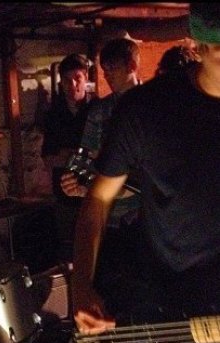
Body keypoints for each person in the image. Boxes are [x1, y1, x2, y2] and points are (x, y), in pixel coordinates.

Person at [70, 3, 220, 343]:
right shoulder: (147, 109)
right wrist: (81, 283)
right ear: (200, 46)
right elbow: (98, 200)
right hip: (170, 317)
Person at [60, 37, 142, 314]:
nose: (108, 77)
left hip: (148, 218)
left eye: (113, 70)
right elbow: (85, 158)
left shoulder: (152, 105)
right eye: (104, 71)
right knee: (114, 296)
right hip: (110, 220)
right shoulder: (101, 111)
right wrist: (79, 184)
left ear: (132, 66)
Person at [40, 53, 97, 255]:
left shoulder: (97, 110)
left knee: (95, 250)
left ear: (85, 78)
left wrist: (69, 156)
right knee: (68, 251)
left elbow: (105, 154)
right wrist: (75, 156)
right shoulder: (53, 114)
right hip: (65, 198)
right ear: (61, 82)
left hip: (93, 194)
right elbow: (47, 158)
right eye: (67, 80)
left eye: (77, 78)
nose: (73, 85)